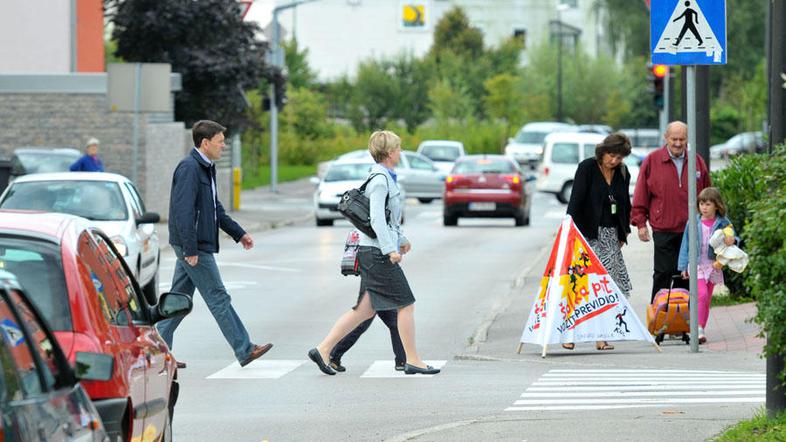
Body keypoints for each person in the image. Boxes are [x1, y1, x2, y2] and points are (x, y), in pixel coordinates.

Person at [308, 130, 440, 376]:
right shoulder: (380, 180)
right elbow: (377, 219)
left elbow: (387, 219)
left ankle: (323, 349)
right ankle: (412, 359)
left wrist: (400, 239)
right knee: (406, 304)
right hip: (377, 252)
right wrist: (391, 249)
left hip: (371, 250)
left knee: (365, 310)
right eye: (398, 148)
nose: (400, 152)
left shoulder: (384, 177)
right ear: (390, 152)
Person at [157, 120, 272, 369]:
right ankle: (244, 349)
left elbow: (214, 207)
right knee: (218, 298)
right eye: (220, 141)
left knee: (178, 301)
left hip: (197, 244)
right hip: (195, 245)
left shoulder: (206, 168)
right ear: (205, 142)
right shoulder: (189, 168)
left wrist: (238, 233)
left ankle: (157, 354)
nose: (223, 145)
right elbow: (183, 211)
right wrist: (190, 249)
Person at [565, 132, 634, 351]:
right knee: (581, 285)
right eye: (611, 155)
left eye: (619, 157)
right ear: (603, 151)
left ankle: (601, 336)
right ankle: (570, 334)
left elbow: (624, 204)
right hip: (586, 234)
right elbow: (576, 199)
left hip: (611, 236)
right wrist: (569, 228)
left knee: (606, 287)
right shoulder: (587, 167)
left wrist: (624, 233)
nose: (614, 161)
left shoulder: (623, 172)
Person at [631, 121, 711, 302]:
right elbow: (641, 193)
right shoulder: (652, 160)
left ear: (687, 139)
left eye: (682, 139)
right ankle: (659, 322)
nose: (677, 143)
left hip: (690, 230)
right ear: (665, 138)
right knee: (663, 274)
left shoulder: (697, 161)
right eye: (674, 139)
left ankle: (681, 322)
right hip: (663, 229)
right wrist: (640, 223)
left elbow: (707, 193)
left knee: (686, 275)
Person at [677, 187, 735, 344]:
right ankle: (698, 328)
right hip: (696, 264)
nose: (704, 207)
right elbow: (685, 244)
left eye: (708, 204)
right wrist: (683, 266)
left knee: (706, 300)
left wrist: (733, 240)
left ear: (716, 205)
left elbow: (733, 237)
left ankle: (700, 329)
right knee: (700, 295)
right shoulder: (693, 222)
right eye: (702, 204)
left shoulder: (723, 222)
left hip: (714, 265)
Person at [329, 312, 406, 372]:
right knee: (361, 326)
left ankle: (402, 361)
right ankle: (333, 355)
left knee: (395, 324)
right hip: (374, 295)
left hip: (381, 295)